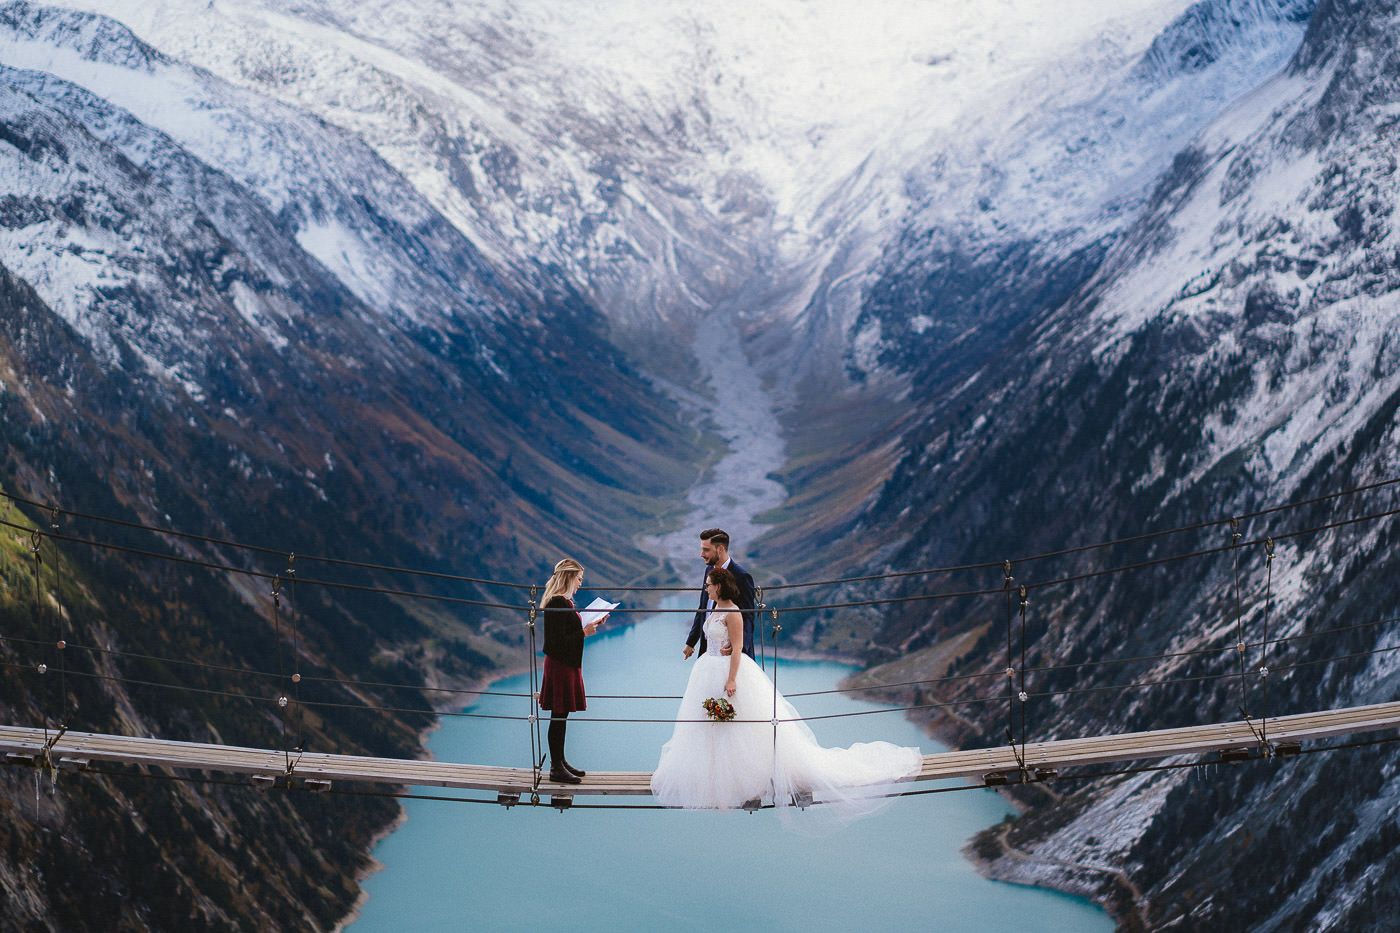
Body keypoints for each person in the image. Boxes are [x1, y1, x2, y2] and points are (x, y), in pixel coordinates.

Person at [652, 567, 922, 812]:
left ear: (720, 587)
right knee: (710, 724)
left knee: (739, 725)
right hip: (707, 670)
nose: (706, 589)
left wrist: (732, 679)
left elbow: (737, 649)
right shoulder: (713, 610)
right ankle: (713, 775)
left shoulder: (733, 613)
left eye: (709, 585)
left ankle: (745, 779)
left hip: (727, 671)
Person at [538, 557, 605, 785]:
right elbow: (555, 642)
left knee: (561, 716)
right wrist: (584, 633)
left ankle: (560, 761)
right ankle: (556, 767)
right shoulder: (558, 602)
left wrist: (591, 624)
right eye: (578, 579)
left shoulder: (563, 602)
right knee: (558, 716)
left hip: (564, 664)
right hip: (560, 665)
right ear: (569, 577)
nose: (580, 583)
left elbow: (566, 633)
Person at [683, 528, 757, 660]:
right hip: (708, 650)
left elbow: (748, 616)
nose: (701, 554)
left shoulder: (741, 576)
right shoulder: (709, 571)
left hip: (730, 651)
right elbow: (703, 608)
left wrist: (738, 646)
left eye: (706, 550)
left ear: (720, 549)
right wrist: (691, 642)